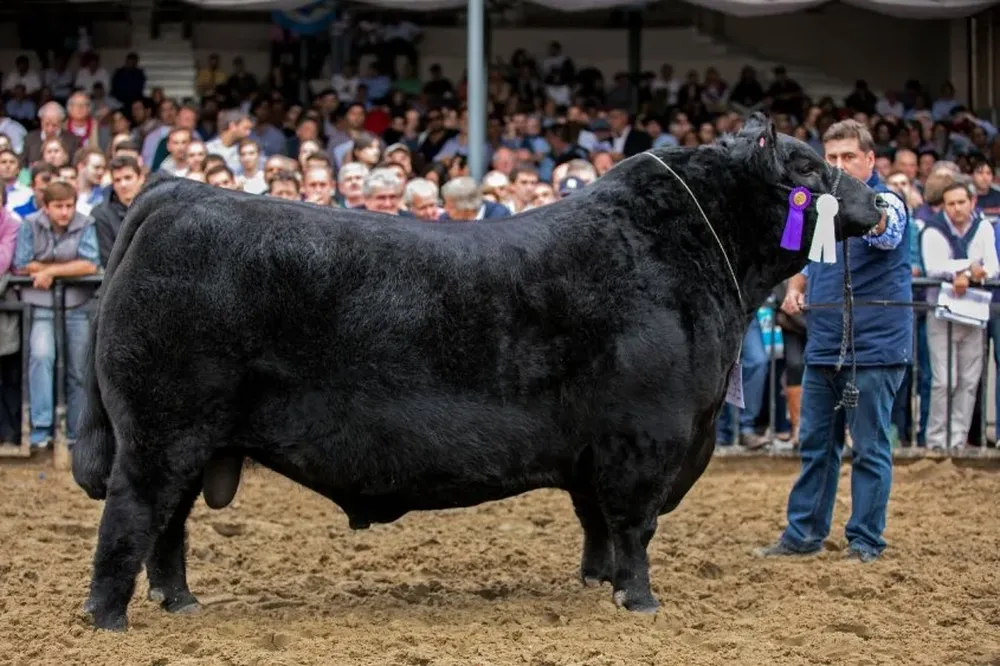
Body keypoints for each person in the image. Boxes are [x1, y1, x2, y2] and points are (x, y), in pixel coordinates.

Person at [756, 119, 911, 563]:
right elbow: (804, 258)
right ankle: (803, 534)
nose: (839, 166)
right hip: (823, 341)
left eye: (849, 157)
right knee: (816, 446)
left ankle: (864, 540)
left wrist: (858, 208)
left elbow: (887, 230)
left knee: (869, 448)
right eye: (832, 158)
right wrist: (796, 287)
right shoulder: (817, 208)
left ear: (870, 159)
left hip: (874, 347)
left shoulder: (887, 200)